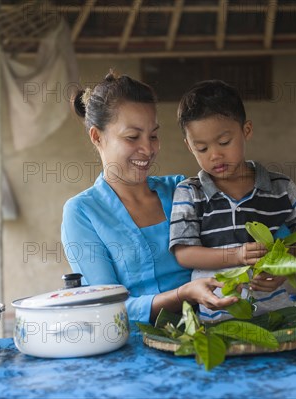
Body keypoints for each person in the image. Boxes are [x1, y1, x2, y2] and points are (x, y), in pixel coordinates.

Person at [61, 72, 239, 324]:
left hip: (211, 329)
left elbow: (242, 224)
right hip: (132, 349)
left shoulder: (181, 189)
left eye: (153, 135)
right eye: (132, 137)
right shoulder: (82, 212)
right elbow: (107, 305)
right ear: (97, 136)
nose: (148, 148)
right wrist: (182, 294)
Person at [170, 80, 296, 322]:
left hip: (276, 315)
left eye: (224, 143)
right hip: (215, 321)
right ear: (189, 146)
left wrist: (284, 267)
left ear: (246, 131)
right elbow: (185, 254)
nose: (215, 155)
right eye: (202, 148)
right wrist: (237, 256)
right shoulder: (190, 192)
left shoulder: (280, 187)